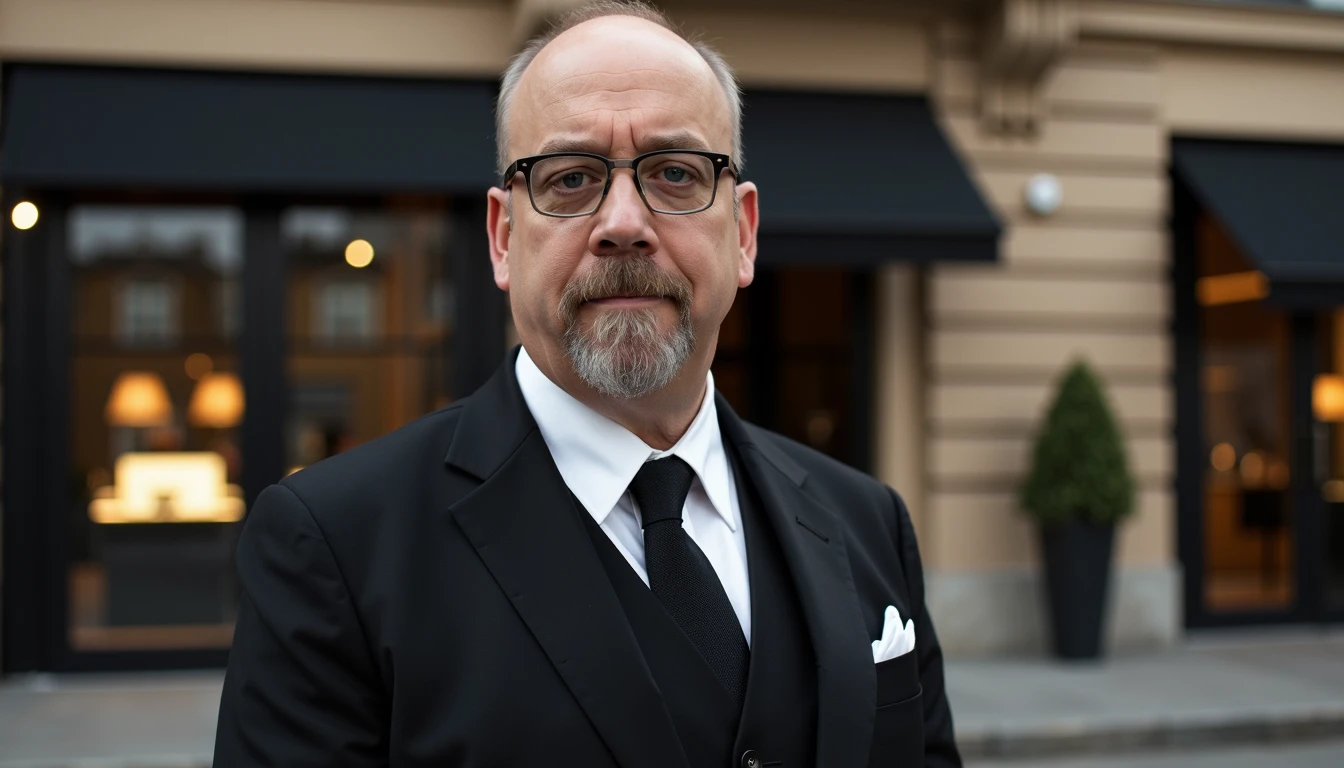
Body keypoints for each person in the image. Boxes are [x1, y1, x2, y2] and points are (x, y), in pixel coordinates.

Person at [213, 3, 959, 766]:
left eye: (675, 173)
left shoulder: (868, 523)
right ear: (504, 239)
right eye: (571, 178)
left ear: (744, 233)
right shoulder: (334, 546)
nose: (624, 222)